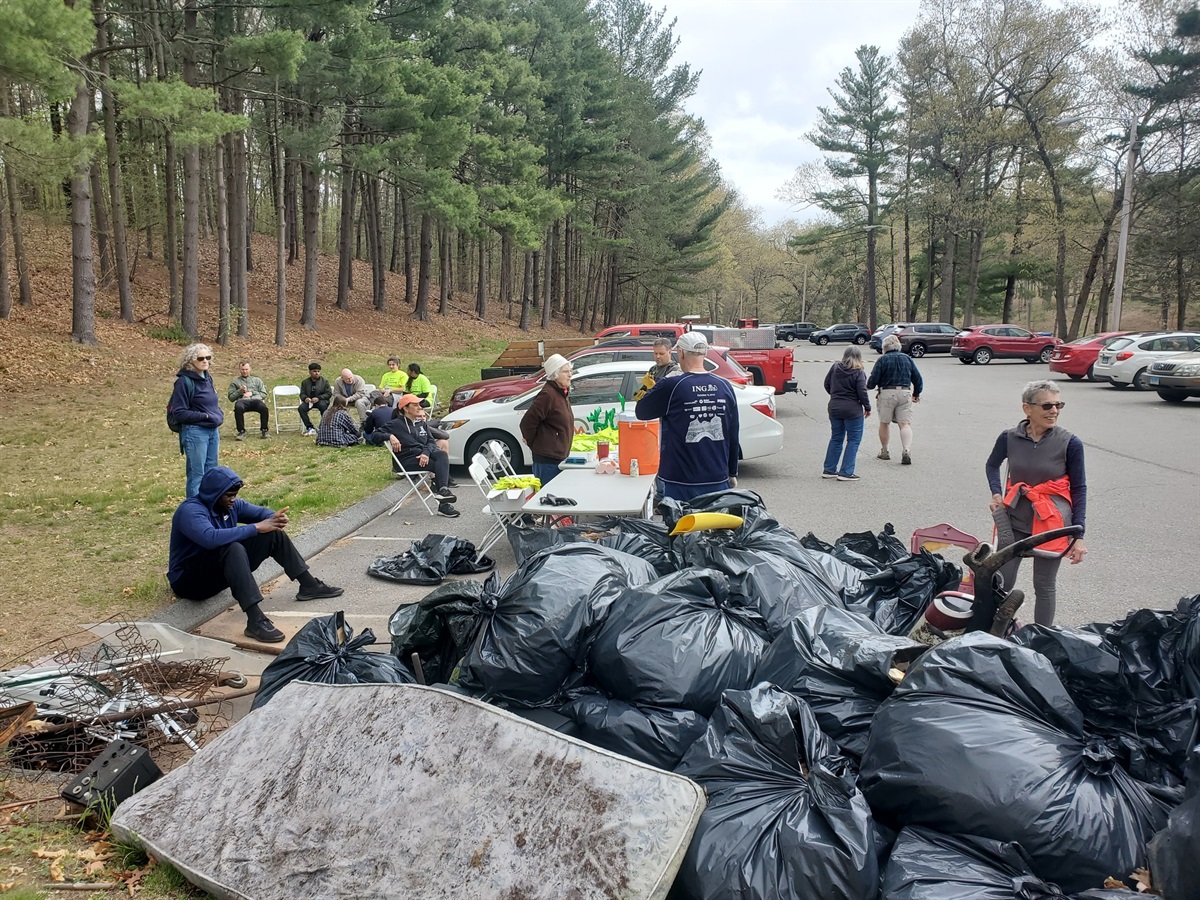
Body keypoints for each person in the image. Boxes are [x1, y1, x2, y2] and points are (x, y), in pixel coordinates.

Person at [168, 466, 343, 643]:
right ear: (214, 494)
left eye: (235, 495)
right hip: (189, 581)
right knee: (233, 548)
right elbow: (210, 538)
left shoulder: (232, 505)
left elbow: (261, 514)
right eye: (229, 495)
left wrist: (275, 518)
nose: (233, 499)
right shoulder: (190, 511)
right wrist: (257, 527)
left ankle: (309, 586)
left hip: (216, 572)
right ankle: (255, 620)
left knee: (272, 533)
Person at [985, 380, 1088, 626]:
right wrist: (996, 492)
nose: (1054, 411)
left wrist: (1079, 535)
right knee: (1001, 582)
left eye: (1058, 405)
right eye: (1047, 406)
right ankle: (991, 633)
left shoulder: (1070, 443)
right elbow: (992, 465)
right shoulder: (1009, 437)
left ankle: (1042, 637)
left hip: (1050, 524)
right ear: (1027, 408)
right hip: (1014, 520)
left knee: (1043, 585)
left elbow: (1079, 489)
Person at [635, 333, 739, 502]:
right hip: (717, 477)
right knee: (713, 519)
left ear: (681, 353)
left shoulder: (672, 385)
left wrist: (651, 389)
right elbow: (733, 433)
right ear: (705, 353)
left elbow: (642, 412)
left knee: (681, 520)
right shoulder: (724, 386)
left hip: (679, 481)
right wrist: (732, 471)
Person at [385, 393, 460, 517]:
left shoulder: (422, 423)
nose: (419, 407)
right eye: (415, 405)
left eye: (419, 404)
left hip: (422, 457)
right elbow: (375, 435)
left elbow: (431, 442)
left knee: (441, 455)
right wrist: (390, 436)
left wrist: (425, 453)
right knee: (439, 465)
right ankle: (444, 504)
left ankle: (443, 491)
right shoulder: (396, 424)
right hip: (407, 461)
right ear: (406, 408)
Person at [170, 343, 224, 498]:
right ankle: (194, 510)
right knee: (197, 475)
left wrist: (218, 414)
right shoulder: (183, 382)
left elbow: (211, 403)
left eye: (208, 357)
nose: (205, 361)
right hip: (195, 432)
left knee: (211, 473)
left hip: (212, 430)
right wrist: (205, 416)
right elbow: (179, 412)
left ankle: (209, 508)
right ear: (190, 360)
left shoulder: (207, 378)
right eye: (200, 358)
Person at [866, 334, 923, 464]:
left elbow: (872, 381)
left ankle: (885, 451)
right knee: (904, 424)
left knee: (884, 423)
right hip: (904, 393)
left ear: (884, 347)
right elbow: (918, 379)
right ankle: (906, 450)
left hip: (886, 393)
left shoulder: (882, 360)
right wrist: (916, 394)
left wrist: (866, 388)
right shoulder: (907, 359)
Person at [519, 353, 574, 487]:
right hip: (548, 460)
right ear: (554, 374)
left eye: (570, 371)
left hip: (557, 457)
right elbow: (527, 423)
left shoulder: (561, 392)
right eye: (565, 372)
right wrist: (533, 443)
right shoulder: (548, 395)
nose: (570, 375)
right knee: (550, 496)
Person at [822, 346, 871, 482]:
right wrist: (867, 407)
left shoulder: (835, 367)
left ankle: (829, 469)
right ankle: (846, 472)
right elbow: (862, 392)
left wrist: (835, 395)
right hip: (852, 409)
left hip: (834, 407)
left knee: (836, 438)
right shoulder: (859, 372)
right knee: (853, 440)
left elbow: (826, 384)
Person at [227, 359, 270, 440]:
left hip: (256, 401)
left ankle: (264, 430)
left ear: (250, 369)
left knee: (264, 408)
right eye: (242, 369)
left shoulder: (257, 380)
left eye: (246, 369)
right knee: (238, 407)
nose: (244, 371)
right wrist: (239, 391)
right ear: (239, 370)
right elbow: (231, 398)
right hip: (242, 402)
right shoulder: (235, 382)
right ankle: (241, 431)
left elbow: (264, 394)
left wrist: (252, 393)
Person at [298, 362, 331, 436]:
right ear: (310, 372)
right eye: (314, 371)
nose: (317, 373)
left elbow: (328, 393)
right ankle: (310, 427)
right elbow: (302, 394)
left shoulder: (324, 382)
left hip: (321, 401)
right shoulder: (305, 382)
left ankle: (324, 427)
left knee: (323, 406)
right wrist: (305, 398)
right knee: (301, 408)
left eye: (318, 371)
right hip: (309, 402)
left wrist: (319, 398)